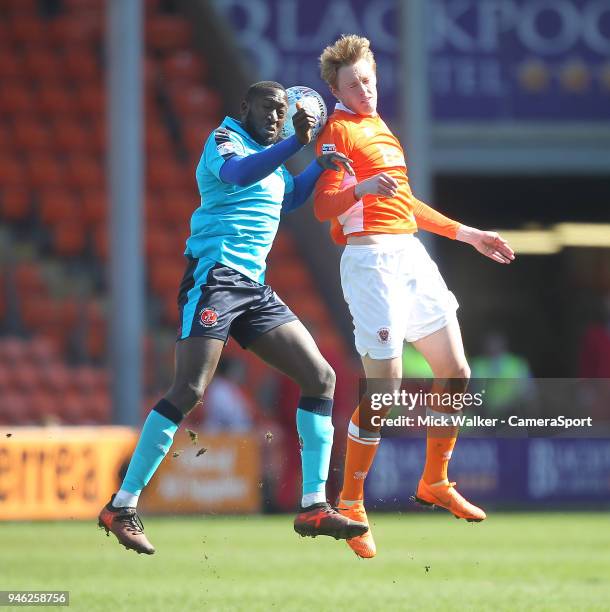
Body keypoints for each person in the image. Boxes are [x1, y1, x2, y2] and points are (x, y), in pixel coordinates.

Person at [98, 80, 367, 554]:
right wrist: (296, 144)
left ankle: (312, 505)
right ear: (244, 106)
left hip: (254, 288)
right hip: (216, 277)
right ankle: (122, 504)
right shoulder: (225, 140)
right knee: (190, 389)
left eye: (280, 110)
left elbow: (285, 197)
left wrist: (316, 168)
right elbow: (240, 176)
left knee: (321, 376)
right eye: (266, 107)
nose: (273, 115)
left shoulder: (278, 160)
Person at [313, 36, 515, 558]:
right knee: (386, 388)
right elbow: (323, 207)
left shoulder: (381, 128)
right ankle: (352, 502)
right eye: (353, 83)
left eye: (369, 80)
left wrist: (468, 234)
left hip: (410, 254)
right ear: (335, 89)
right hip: (371, 261)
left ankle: (434, 481)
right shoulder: (337, 132)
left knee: (457, 371)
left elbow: (406, 203)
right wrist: (360, 190)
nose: (364, 90)